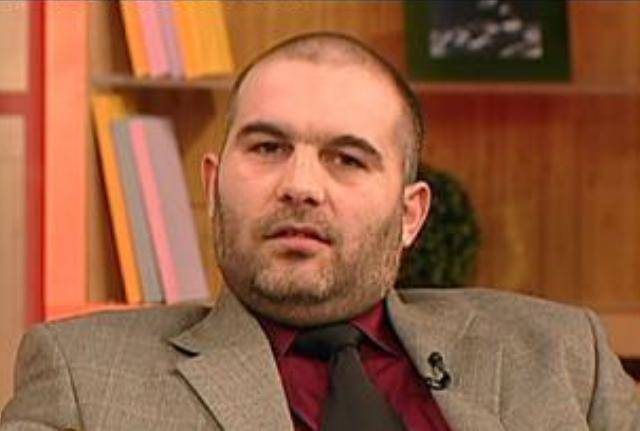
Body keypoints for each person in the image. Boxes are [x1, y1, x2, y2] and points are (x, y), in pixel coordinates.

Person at [2, 32, 639, 431]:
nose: (301, 185)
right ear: (213, 185)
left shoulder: (560, 355)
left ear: (411, 215)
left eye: (348, 159)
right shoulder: (85, 375)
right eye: (268, 147)